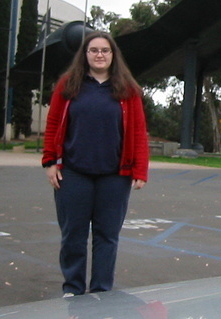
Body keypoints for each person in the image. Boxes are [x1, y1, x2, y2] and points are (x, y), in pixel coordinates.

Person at [42, 31, 149, 296]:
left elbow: (138, 131)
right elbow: (53, 123)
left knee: (107, 237)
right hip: (73, 173)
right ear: (85, 55)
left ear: (113, 55)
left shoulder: (128, 90)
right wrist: (50, 162)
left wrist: (140, 169)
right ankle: (73, 288)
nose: (99, 55)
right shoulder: (68, 85)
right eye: (94, 50)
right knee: (73, 236)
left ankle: (101, 290)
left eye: (105, 50)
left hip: (115, 175)